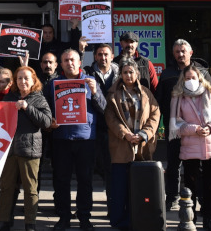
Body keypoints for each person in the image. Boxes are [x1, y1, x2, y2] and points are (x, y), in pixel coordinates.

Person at [46, 49, 106, 231]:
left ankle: (84, 218)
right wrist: (50, 121)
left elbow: (104, 109)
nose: (69, 63)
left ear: (80, 62)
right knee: (61, 180)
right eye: (65, 60)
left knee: (85, 180)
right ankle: (64, 217)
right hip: (61, 138)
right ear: (61, 64)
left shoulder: (90, 81)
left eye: (72, 60)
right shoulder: (53, 84)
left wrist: (95, 92)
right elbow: (45, 109)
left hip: (85, 138)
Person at [0, 66, 52, 231]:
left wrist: (27, 107)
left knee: (30, 189)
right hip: (10, 150)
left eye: (26, 78)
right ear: (15, 81)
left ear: (33, 80)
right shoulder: (10, 97)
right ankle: (3, 222)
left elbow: (46, 122)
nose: (23, 81)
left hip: (29, 150)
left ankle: (30, 224)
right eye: (19, 78)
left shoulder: (39, 98)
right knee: (6, 187)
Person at [169, 65, 211, 231]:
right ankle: (190, 219)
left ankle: (209, 219)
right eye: (187, 78)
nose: (190, 81)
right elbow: (176, 125)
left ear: (200, 78)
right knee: (191, 185)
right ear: (183, 80)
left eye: (193, 78)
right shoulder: (178, 97)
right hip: (190, 146)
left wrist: (210, 127)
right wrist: (194, 129)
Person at [156, 39, 211, 210]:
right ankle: (172, 197)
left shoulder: (202, 72)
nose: (180, 54)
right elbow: (159, 101)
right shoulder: (167, 74)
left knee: (198, 165)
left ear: (191, 53)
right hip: (175, 126)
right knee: (173, 164)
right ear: (173, 54)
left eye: (183, 51)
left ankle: (201, 200)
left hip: (197, 128)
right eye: (177, 52)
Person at [105, 58, 160, 231]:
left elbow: (155, 115)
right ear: (120, 75)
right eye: (125, 72)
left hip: (141, 147)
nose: (128, 75)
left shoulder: (146, 93)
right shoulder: (113, 93)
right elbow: (110, 117)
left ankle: (137, 219)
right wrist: (125, 134)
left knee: (139, 188)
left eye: (131, 72)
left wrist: (143, 134)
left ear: (137, 73)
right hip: (121, 146)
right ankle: (119, 222)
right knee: (120, 188)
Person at [83, 43, 120, 215]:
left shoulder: (120, 75)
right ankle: (85, 210)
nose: (103, 57)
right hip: (94, 128)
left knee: (112, 171)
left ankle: (113, 209)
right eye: (99, 54)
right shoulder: (88, 74)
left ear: (112, 56)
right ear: (95, 57)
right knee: (90, 170)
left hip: (115, 129)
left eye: (106, 54)